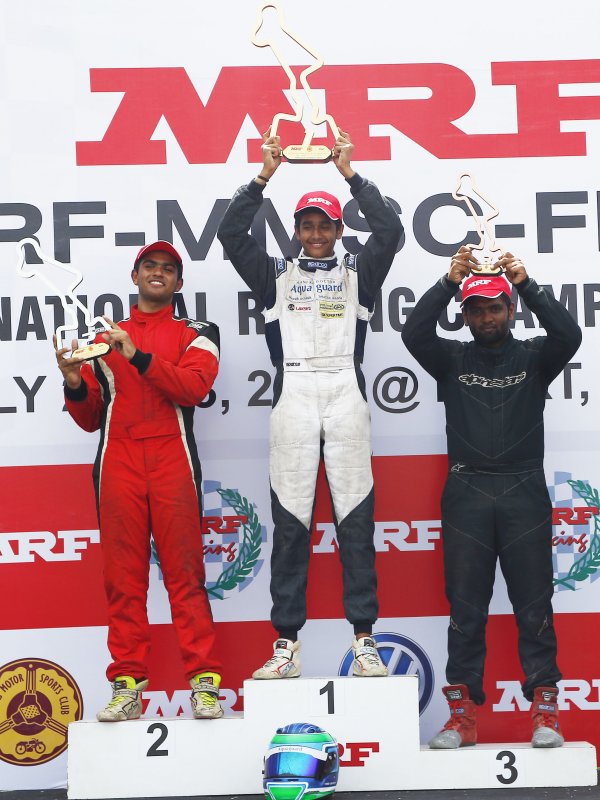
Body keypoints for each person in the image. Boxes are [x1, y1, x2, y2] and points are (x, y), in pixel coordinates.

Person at [217, 130, 403, 679]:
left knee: (355, 520)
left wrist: (350, 174)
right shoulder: (275, 274)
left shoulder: (359, 273)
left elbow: (389, 231)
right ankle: (286, 644)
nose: (317, 234)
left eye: (325, 225)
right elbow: (231, 233)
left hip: (346, 391)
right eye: (307, 225)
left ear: (339, 229)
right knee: (291, 521)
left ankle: (364, 639)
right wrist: (264, 175)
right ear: (295, 231)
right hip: (293, 393)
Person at [402, 246, 582, 748]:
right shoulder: (450, 357)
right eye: (476, 309)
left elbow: (570, 334)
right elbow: (413, 333)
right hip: (466, 492)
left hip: (524, 487)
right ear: (465, 316)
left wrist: (526, 281)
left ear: (509, 310)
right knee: (465, 610)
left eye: (495, 307)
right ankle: (462, 718)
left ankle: (545, 714)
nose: (486, 317)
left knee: (535, 606)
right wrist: (447, 281)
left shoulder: (535, 356)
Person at [54, 241, 224, 720]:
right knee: (123, 581)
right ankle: (127, 686)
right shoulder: (104, 338)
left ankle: (205, 684)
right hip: (119, 462)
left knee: (185, 577)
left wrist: (139, 355)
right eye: (150, 266)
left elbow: (193, 388)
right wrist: (72, 379)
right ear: (135, 276)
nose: (158, 273)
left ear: (178, 284)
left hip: (172, 460)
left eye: (168, 269)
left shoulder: (198, 332)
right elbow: (90, 418)